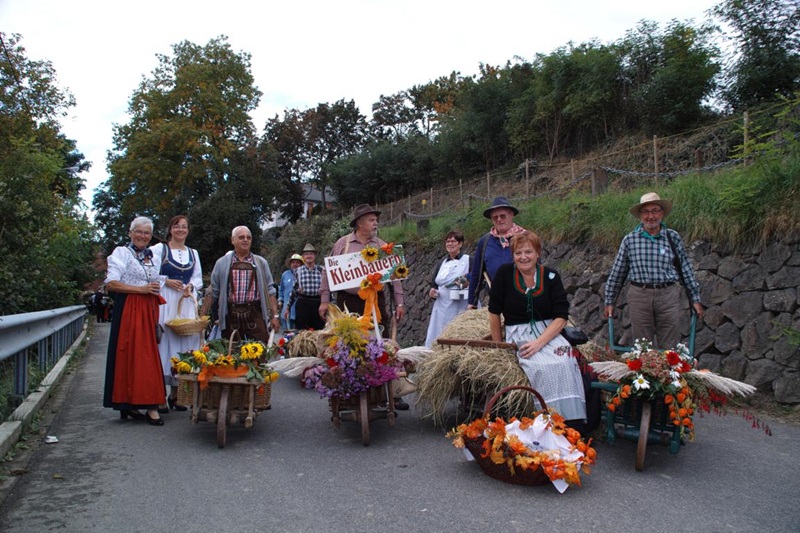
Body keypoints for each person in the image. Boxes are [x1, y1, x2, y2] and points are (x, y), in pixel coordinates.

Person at [488, 231, 586, 426]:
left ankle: (569, 422)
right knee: (538, 365)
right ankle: (541, 421)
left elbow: (561, 317)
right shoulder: (504, 274)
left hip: (549, 333)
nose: (523, 257)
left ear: (538, 253)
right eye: (518, 253)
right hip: (519, 333)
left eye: (528, 252)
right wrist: (499, 346)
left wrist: (539, 343)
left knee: (565, 360)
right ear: (512, 255)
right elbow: (494, 312)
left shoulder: (551, 276)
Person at [318, 204, 408, 410]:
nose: (375, 223)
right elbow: (327, 271)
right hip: (347, 302)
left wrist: (399, 302)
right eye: (371, 220)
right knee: (345, 345)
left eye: (376, 220)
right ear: (359, 223)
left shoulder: (383, 246)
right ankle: (345, 392)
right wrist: (324, 299)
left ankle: (392, 392)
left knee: (383, 344)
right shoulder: (343, 244)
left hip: (376, 301)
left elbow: (395, 276)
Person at [604, 192, 704, 349]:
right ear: (640, 215)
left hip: (667, 295)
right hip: (640, 295)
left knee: (670, 345)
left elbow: (685, 269)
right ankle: (644, 366)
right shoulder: (630, 240)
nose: (650, 216)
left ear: (662, 213)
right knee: (642, 345)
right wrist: (610, 301)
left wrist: (695, 299)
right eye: (646, 212)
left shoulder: (672, 237)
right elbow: (617, 273)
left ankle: (669, 365)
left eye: (655, 211)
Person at [102, 216, 167, 426]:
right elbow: (111, 283)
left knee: (148, 354)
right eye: (138, 231)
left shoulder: (152, 256)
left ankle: (138, 403)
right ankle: (144, 405)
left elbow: (155, 280)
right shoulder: (122, 253)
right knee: (133, 355)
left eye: (147, 233)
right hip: (130, 308)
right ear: (130, 233)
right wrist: (141, 290)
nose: (142, 236)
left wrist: (161, 286)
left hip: (149, 308)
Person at [150, 215, 203, 413]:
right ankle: (159, 395)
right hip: (166, 301)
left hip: (184, 301)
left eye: (184, 227)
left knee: (184, 344)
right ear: (170, 229)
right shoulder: (159, 249)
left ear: (188, 230)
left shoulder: (193, 253)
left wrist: (191, 286)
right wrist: (166, 281)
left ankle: (176, 393)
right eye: (177, 226)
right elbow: (149, 272)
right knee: (164, 344)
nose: (181, 230)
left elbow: (198, 277)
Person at [209, 226, 280, 343]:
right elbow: (213, 291)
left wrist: (275, 316)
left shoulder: (261, 263)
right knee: (230, 352)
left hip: (255, 313)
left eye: (248, 237)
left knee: (261, 349)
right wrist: (201, 317)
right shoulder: (222, 263)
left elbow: (270, 290)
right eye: (241, 237)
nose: (246, 240)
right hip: (230, 315)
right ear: (233, 240)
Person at [468, 196, 527, 309]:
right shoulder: (485, 241)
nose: (499, 219)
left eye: (502, 216)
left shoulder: (525, 237)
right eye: (495, 217)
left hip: (523, 297)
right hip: (496, 298)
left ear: (511, 215)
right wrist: (472, 302)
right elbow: (476, 273)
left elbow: (537, 268)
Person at [424, 230, 470, 348]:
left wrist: (460, 284)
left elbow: (476, 280)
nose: (450, 244)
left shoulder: (469, 260)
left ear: (460, 244)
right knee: (440, 330)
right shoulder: (441, 263)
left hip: (461, 303)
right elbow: (435, 284)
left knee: (459, 331)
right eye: (447, 241)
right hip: (442, 306)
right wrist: (433, 291)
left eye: (453, 241)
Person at [291, 243, 325, 330]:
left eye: (311, 254)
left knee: (319, 331)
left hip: (318, 303)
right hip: (303, 303)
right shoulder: (298, 271)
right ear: (303, 257)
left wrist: (330, 303)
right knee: (302, 331)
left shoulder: (322, 270)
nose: (309, 256)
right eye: (306, 254)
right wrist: (288, 307)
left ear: (315, 256)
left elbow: (327, 289)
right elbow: (294, 290)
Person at [279, 254, 302, 331]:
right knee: (287, 333)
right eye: (293, 262)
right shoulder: (285, 275)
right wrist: (280, 300)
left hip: (299, 308)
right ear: (290, 264)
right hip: (286, 308)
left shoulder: (304, 274)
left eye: (297, 262)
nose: (295, 264)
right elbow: (281, 290)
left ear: (301, 264)